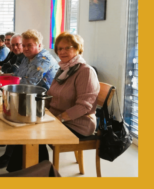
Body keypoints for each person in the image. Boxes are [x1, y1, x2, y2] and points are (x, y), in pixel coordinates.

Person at [6, 31, 100, 172]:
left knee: (34, 133)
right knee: (25, 125)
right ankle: (21, 171)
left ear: (78, 48)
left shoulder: (85, 71)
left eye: (67, 47)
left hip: (78, 123)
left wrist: (59, 118)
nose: (62, 52)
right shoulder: (64, 69)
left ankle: (41, 174)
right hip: (57, 116)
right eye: (60, 49)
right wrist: (40, 113)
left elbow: (84, 106)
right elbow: (50, 94)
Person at [0, 29, 58, 168]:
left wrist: (5, 90)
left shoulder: (43, 60)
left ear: (39, 45)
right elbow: (18, 77)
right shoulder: (28, 58)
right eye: (24, 45)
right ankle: (12, 155)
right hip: (31, 97)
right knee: (2, 108)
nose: (25, 48)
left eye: (30, 45)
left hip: (45, 102)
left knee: (11, 112)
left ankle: (15, 159)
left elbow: (29, 84)